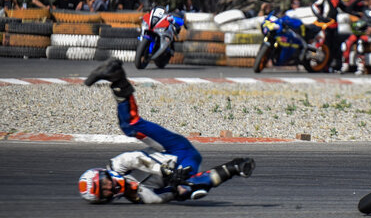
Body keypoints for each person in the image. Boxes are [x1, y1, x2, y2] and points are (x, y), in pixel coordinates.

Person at [78, 58, 256, 204]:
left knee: (130, 126)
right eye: (104, 192)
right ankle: (235, 167)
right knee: (188, 190)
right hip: (183, 164)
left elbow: (135, 159)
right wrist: (175, 186)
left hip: (170, 148)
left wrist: (163, 170)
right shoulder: (139, 197)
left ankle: (116, 77)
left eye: (103, 183)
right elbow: (162, 197)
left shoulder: (116, 166)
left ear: (102, 174)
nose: (109, 188)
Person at [311, 0, 358, 71]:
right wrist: (320, 17)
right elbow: (314, 6)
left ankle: (333, 65)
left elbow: (343, 7)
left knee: (335, 45)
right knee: (324, 44)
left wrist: (354, 13)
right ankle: (321, 64)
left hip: (334, 25)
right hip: (324, 24)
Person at [340, 0, 371, 74]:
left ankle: (361, 67)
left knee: (360, 44)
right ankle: (345, 66)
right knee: (347, 43)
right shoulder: (363, 7)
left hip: (370, 34)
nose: (364, 2)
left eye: (367, 0)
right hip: (359, 31)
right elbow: (348, 9)